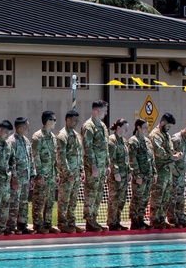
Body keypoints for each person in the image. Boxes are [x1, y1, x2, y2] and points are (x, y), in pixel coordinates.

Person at [149, 113, 181, 229]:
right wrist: (174, 157)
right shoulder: (155, 135)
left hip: (168, 171)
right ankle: (154, 220)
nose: (168, 129)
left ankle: (161, 219)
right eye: (167, 127)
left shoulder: (166, 135)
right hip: (160, 170)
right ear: (162, 123)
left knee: (166, 197)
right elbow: (159, 151)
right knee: (157, 196)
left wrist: (176, 154)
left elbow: (170, 150)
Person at [81, 100, 109, 232]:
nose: (106, 112)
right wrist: (93, 166)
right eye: (104, 110)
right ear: (97, 110)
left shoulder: (102, 126)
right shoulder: (89, 126)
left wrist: (107, 164)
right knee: (91, 193)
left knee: (98, 194)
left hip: (102, 166)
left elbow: (105, 147)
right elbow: (88, 147)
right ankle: (89, 220)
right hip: (94, 167)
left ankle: (94, 218)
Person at [31, 111, 59, 234]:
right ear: (48, 121)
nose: (55, 122)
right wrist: (39, 174)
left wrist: (56, 173)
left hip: (51, 174)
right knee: (39, 200)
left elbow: (54, 157)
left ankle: (48, 223)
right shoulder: (38, 137)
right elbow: (35, 157)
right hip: (42, 174)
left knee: (50, 200)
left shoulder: (52, 137)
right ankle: (38, 225)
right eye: (54, 119)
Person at [56, 109, 84, 233]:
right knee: (64, 199)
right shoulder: (62, 136)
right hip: (68, 175)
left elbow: (79, 154)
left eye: (77, 120)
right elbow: (62, 157)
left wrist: (81, 170)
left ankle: (71, 222)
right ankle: (62, 223)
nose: (77, 122)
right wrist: (68, 174)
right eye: (74, 120)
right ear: (68, 120)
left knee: (73, 200)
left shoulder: (77, 135)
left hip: (76, 173)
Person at [7, 116, 33, 235]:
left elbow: (30, 159)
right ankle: (11, 226)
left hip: (25, 179)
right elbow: (11, 161)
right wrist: (14, 178)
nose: (29, 127)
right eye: (27, 125)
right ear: (20, 128)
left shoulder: (26, 141)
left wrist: (32, 175)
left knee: (23, 203)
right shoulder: (12, 141)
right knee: (14, 203)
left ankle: (22, 225)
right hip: (17, 179)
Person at [128, 118, 155, 230]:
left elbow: (151, 158)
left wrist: (154, 173)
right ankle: (134, 221)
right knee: (137, 198)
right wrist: (137, 175)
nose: (146, 129)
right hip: (140, 175)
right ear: (138, 128)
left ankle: (141, 219)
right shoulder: (133, 141)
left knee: (145, 198)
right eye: (144, 127)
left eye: (147, 127)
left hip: (148, 174)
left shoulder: (147, 141)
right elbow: (133, 160)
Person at [106, 119, 132, 231]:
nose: (127, 130)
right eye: (125, 127)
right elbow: (111, 159)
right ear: (118, 127)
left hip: (124, 176)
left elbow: (127, 159)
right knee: (114, 199)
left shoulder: (124, 141)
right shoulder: (112, 141)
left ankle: (117, 221)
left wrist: (129, 172)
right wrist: (116, 172)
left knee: (122, 199)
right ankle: (112, 222)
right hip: (115, 176)